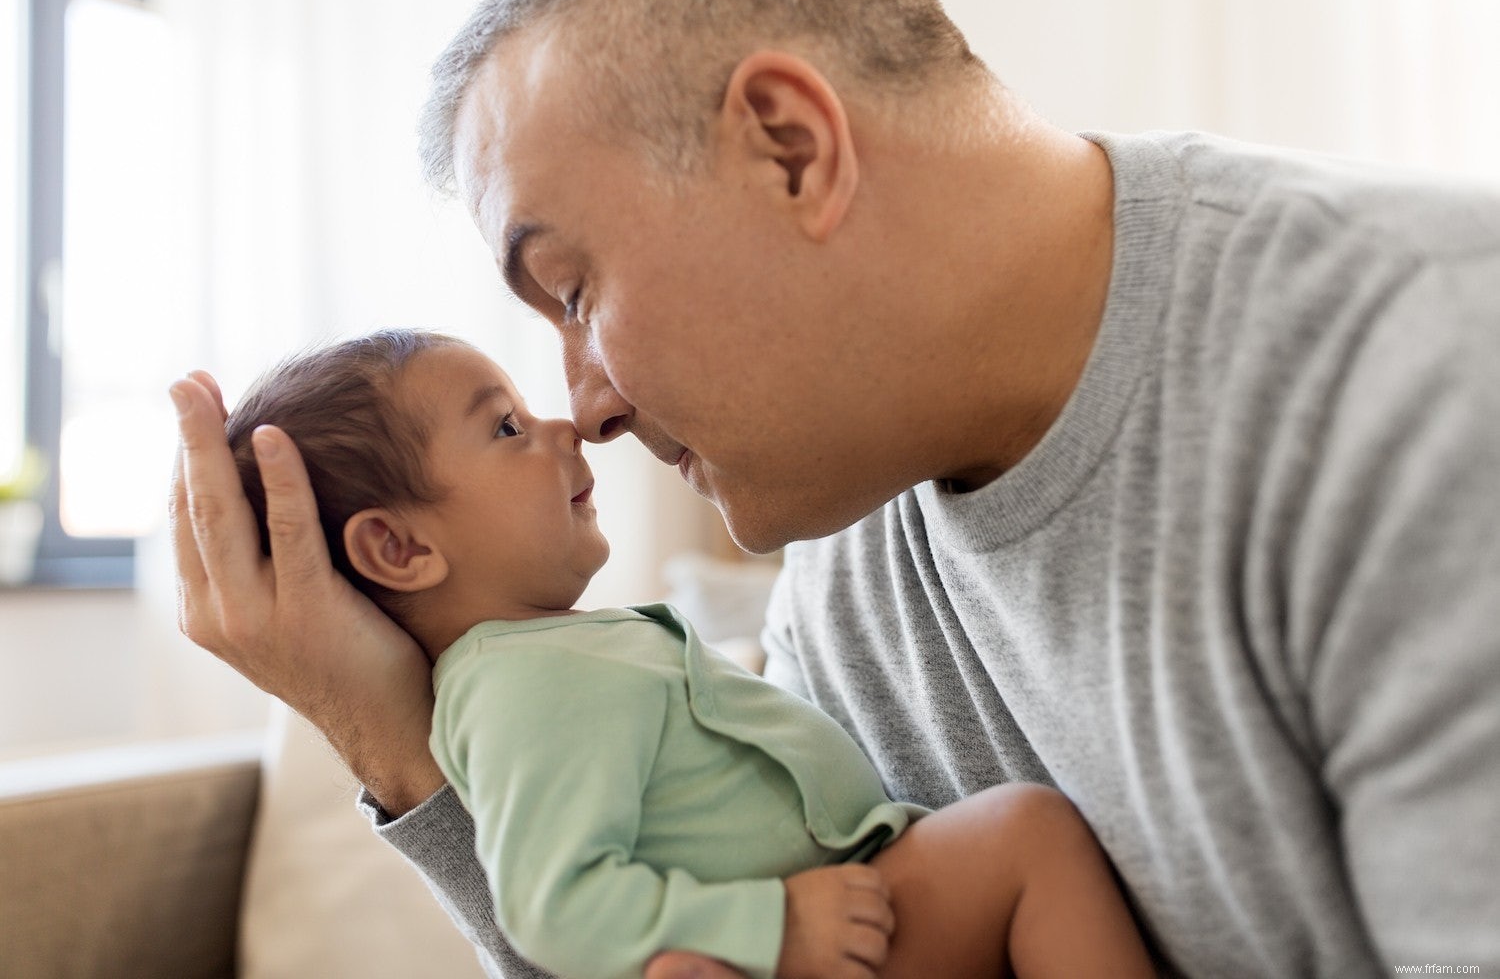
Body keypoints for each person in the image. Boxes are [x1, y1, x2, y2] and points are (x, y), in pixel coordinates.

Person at [169, 0, 1500, 976]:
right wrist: (392, 737)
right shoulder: (855, 563)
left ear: (790, 147)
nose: (589, 409)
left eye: (573, 290)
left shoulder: (1428, 378)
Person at [219, 328, 1154, 979]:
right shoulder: (518, 686)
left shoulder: (549, 660)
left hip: (830, 905)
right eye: (503, 427)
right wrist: (770, 930)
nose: (563, 424)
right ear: (400, 549)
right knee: (1028, 839)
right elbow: (554, 906)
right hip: (820, 928)